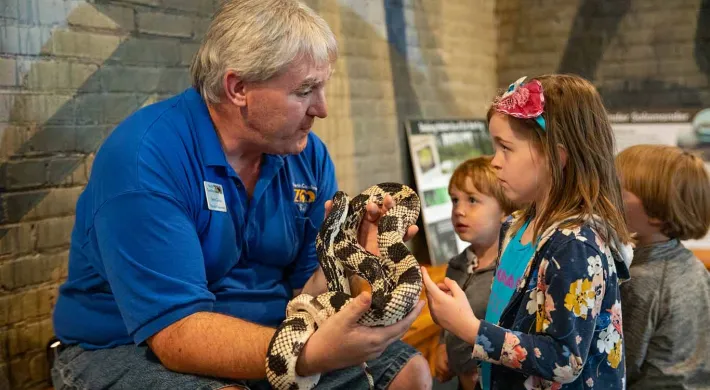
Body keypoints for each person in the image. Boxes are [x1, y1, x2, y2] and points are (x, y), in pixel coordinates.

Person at [49, 1, 432, 389]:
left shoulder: (306, 154)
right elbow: (176, 335)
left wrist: (355, 258)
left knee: (409, 373)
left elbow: (308, 290)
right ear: (238, 88)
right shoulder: (144, 158)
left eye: (322, 87)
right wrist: (310, 354)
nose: (322, 108)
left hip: (279, 325)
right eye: (304, 90)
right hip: (130, 346)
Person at [421, 74, 634, 389]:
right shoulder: (515, 225)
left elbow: (565, 360)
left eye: (506, 148)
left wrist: (469, 329)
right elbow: (509, 318)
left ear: (555, 157)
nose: (494, 162)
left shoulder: (575, 245)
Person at [615, 144, 710, 389]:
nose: (606, 196)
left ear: (655, 214)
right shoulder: (689, 263)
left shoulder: (641, 279)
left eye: (618, 191)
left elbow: (620, 361)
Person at [433, 157, 517, 390]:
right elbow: (448, 318)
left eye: (472, 200)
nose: (459, 210)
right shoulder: (457, 266)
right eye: (454, 200)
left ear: (504, 209)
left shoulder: (510, 273)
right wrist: (442, 345)